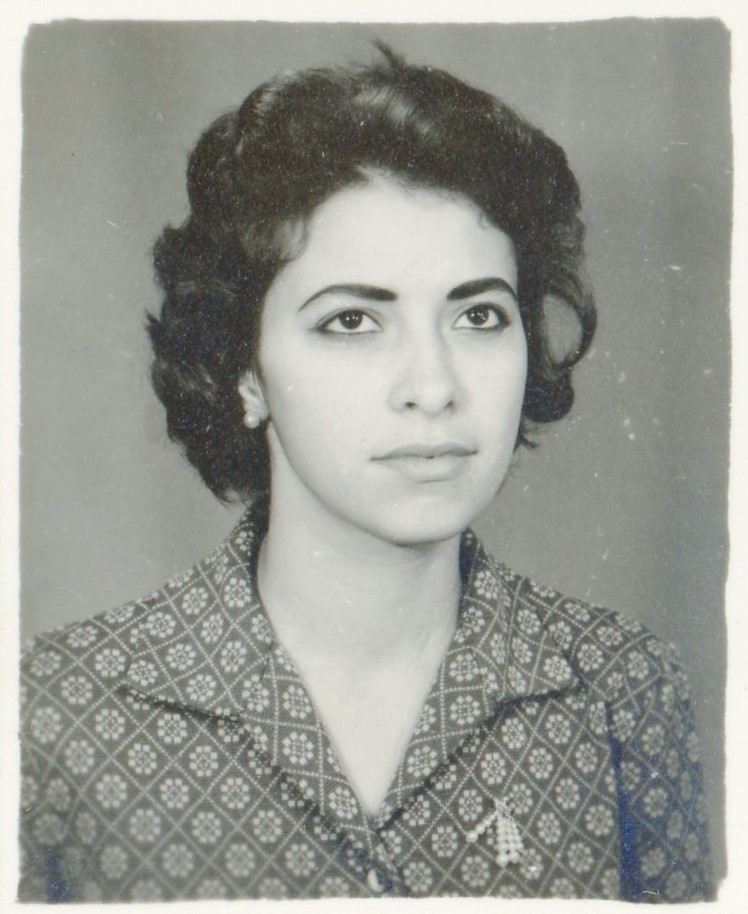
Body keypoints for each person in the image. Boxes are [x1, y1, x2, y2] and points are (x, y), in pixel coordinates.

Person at [18, 46, 712, 902]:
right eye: (352, 321)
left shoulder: (622, 689)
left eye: (479, 315)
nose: (434, 386)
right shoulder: (59, 713)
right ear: (244, 371)